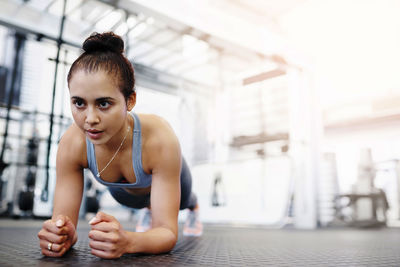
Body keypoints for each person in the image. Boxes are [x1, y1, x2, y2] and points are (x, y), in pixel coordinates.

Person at [37, 32, 203, 259]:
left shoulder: (160, 138)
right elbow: (64, 223)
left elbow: (167, 233)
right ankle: (149, 208)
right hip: (124, 194)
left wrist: (129, 241)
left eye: (104, 103)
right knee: (139, 205)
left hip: (172, 181)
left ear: (130, 101)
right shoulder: (72, 143)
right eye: (79, 103)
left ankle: (194, 208)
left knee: (185, 201)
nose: (90, 119)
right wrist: (60, 235)